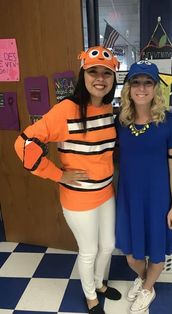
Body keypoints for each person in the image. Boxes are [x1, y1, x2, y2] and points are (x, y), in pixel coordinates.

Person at [14, 46, 121, 314]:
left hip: (106, 193)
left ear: (113, 79)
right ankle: (90, 297)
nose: (100, 78)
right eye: (94, 71)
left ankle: (99, 283)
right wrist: (59, 175)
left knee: (108, 245)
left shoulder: (109, 109)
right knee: (89, 250)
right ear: (83, 74)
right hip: (78, 198)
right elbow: (24, 145)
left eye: (106, 73)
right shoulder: (66, 109)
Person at [115, 60, 172, 313]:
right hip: (129, 198)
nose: (141, 88)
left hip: (158, 198)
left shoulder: (171, 122)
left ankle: (147, 289)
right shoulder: (121, 122)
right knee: (131, 254)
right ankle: (146, 281)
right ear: (128, 88)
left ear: (156, 88)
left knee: (156, 252)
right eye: (136, 82)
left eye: (147, 83)